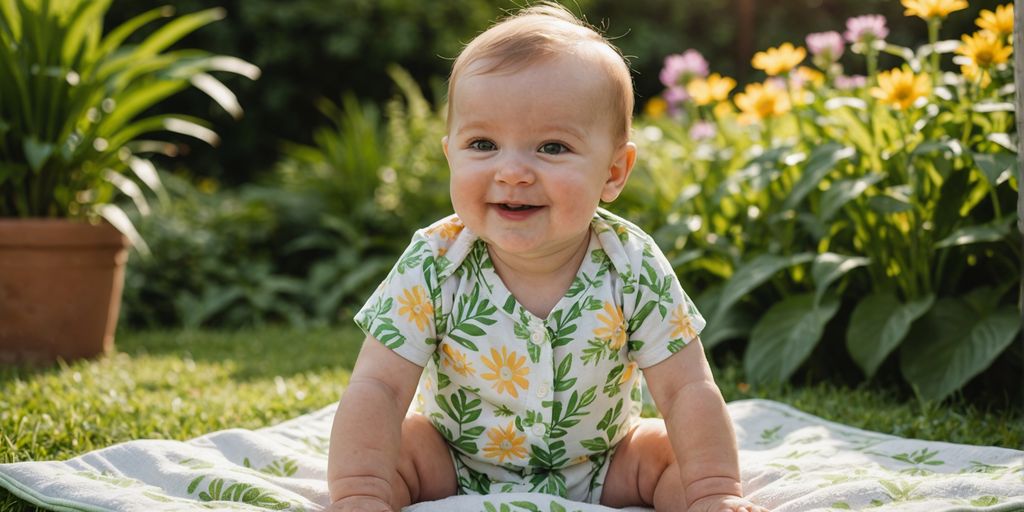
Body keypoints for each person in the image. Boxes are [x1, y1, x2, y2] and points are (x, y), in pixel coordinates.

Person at [327, 3, 768, 511]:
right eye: (484, 143)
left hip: (604, 465)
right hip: (452, 461)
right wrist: (359, 487)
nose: (512, 171)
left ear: (613, 172)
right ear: (451, 156)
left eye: (552, 147)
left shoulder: (631, 264)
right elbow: (379, 386)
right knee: (397, 443)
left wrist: (714, 487)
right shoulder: (434, 262)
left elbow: (686, 389)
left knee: (670, 453)